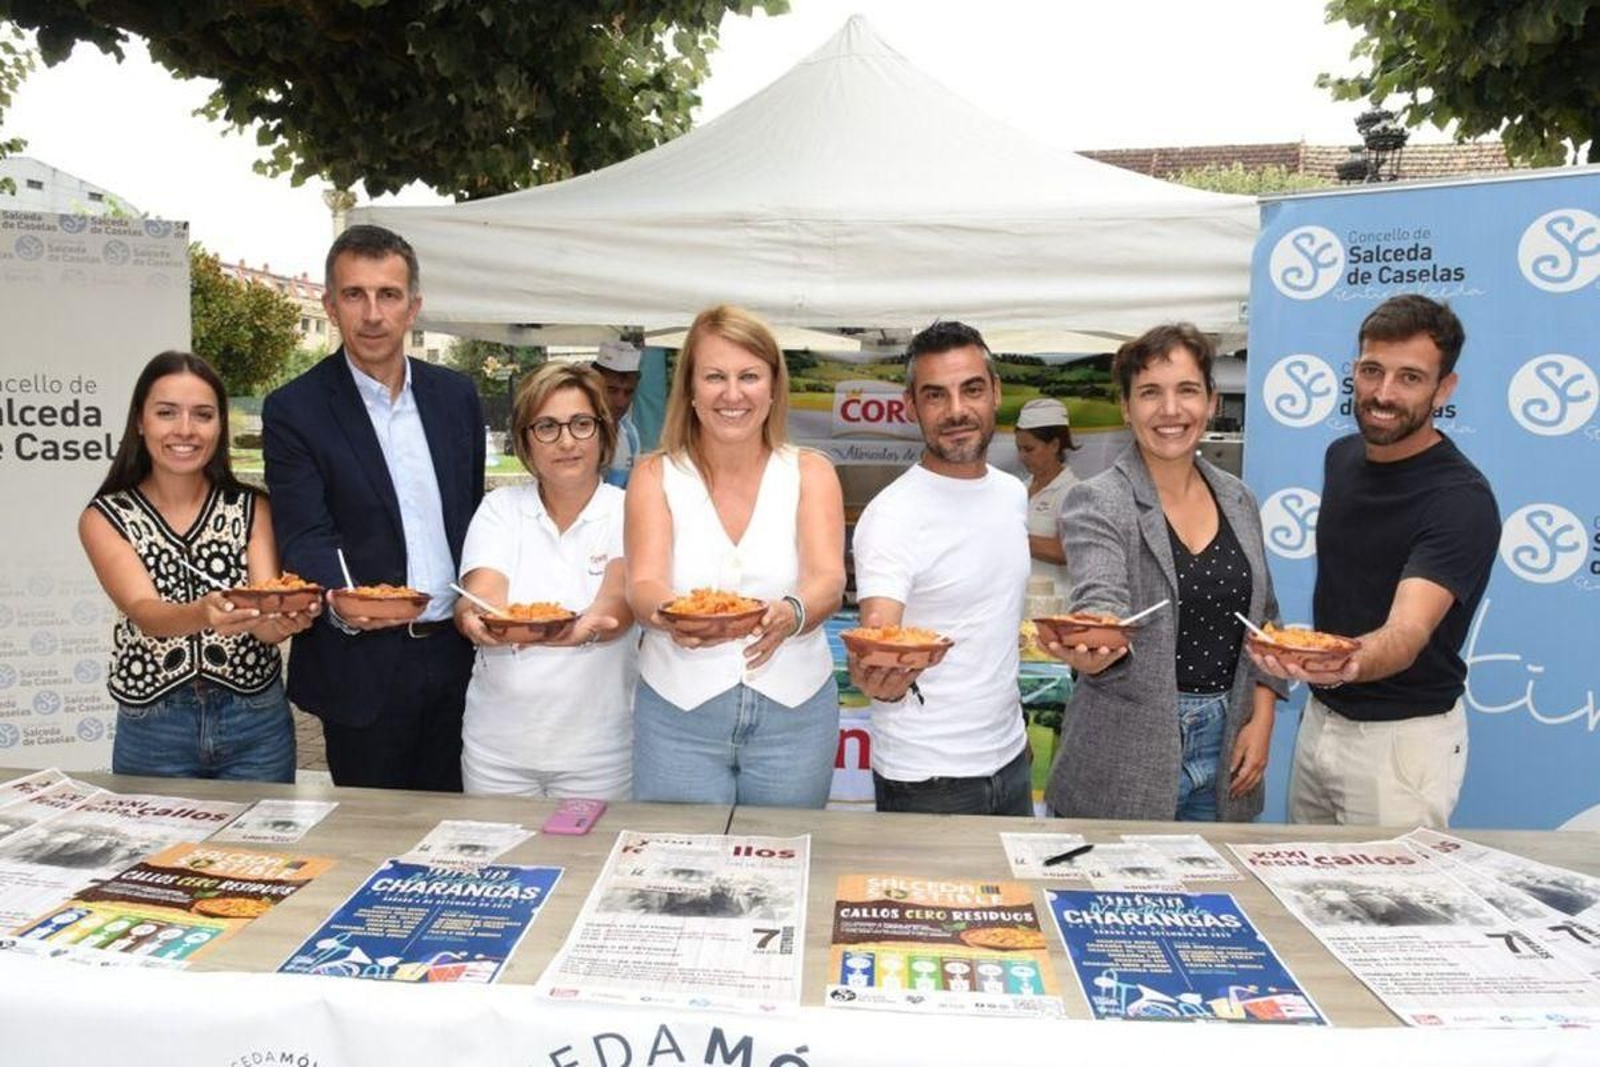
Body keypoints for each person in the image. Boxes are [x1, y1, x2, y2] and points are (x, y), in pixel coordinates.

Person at [1252, 295, 1499, 828]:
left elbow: (1407, 632)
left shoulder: (1460, 500)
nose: (1383, 394)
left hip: (1401, 745)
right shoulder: (1340, 457)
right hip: (1321, 720)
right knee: (1301, 876)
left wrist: (1341, 662)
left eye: (1410, 377)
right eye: (1371, 371)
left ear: (1444, 389)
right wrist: (1318, 666)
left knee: (1394, 887)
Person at [262, 224, 485, 791]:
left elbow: (470, 515)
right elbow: (305, 533)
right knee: (372, 831)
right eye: (354, 294)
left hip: (459, 655)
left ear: (414, 307)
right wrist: (344, 602)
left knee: (461, 827)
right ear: (330, 305)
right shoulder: (295, 409)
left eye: (388, 294)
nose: (372, 314)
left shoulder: (456, 397)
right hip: (361, 664)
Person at [1042, 323, 1285, 822]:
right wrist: (1093, 643)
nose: (1170, 410)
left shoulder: (1239, 499)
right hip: (1125, 755)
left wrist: (1261, 720)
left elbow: (1266, 622)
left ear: (1211, 401)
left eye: (1187, 390)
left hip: (1227, 752)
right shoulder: (1098, 500)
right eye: (1150, 392)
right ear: (1126, 408)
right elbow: (1100, 596)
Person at [625, 304, 845, 807]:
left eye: (749, 376)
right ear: (690, 389)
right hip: (677, 715)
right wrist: (672, 616)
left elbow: (827, 579)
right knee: (676, 852)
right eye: (714, 377)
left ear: (773, 388)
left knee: (783, 847)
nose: (732, 394)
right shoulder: (654, 475)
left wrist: (792, 613)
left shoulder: (811, 473)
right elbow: (643, 584)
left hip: (796, 715)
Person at [79, 351, 317, 782]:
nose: (185, 430)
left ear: (220, 425)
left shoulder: (252, 507)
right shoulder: (106, 517)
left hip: (255, 720)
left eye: (203, 415)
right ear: (140, 421)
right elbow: (145, 612)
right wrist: (203, 612)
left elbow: (265, 625)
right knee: (156, 831)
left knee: (261, 830)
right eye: (166, 413)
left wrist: (286, 620)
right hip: (155, 724)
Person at [848, 321, 1033, 816]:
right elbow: (879, 637)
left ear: (996, 392)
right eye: (935, 395)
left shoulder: (1011, 494)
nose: (956, 411)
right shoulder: (892, 516)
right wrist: (876, 676)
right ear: (911, 406)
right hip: (927, 777)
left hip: (1012, 758)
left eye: (971, 389)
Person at [455, 362, 637, 799]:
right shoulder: (500, 508)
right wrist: (473, 617)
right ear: (525, 440)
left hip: (601, 755)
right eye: (547, 427)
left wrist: (588, 627)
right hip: (496, 753)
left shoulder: (629, 510)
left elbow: (618, 602)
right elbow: (482, 594)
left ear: (604, 432)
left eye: (581, 424)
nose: (567, 441)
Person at [1014, 396, 1080, 598]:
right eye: (1019, 449)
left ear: (1054, 445)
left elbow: (1070, 550)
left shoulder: (1075, 492)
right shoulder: (1018, 490)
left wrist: (1012, 538)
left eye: (1029, 449)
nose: (1022, 456)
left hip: (1055, 607)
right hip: (1017, 603)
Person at [596, 341, 643, 488]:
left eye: (628, 392)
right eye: (611, 390)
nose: (620, 402)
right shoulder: (577, 434)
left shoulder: (630, 435)